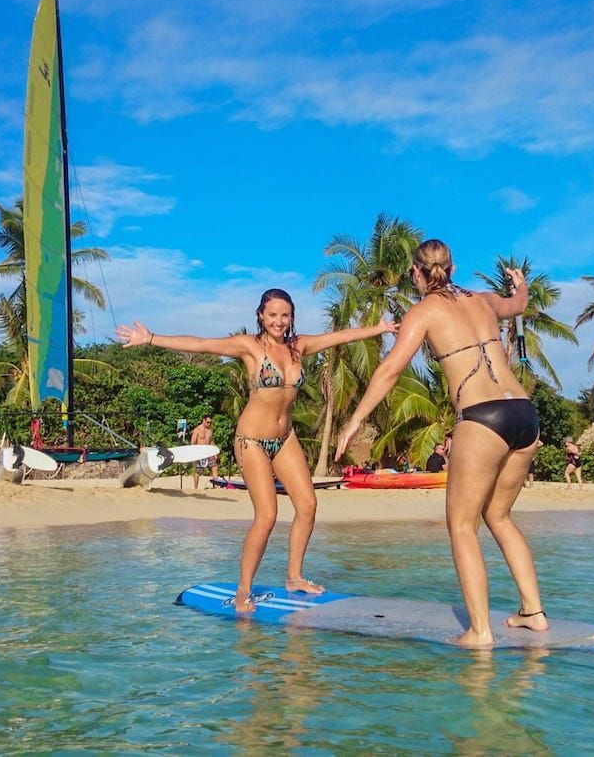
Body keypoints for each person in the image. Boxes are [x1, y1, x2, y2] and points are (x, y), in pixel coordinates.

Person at [118, 289, 395, 612]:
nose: (279, 321)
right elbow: (202, 343)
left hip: (285, 437)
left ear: (292, 317)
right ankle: (243, 589)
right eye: (273, 314)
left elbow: (339, 336)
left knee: (307, 505)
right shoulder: (249, 347)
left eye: (285, 315)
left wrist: (379, 329)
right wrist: (151, 338)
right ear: (261, 315)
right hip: (251, 440)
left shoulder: (298, 347)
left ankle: (294, 577)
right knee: (267, 515)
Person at [335, 239, 545, 647]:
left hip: (483, 417)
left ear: (416, 272)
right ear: (452, 267)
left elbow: (392, 368)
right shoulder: (484, 300)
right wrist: (521, 283)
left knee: (462, 526)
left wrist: (355, 420)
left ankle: (480, 632)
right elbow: (518, 304)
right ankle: (533, 613)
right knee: (498, 516)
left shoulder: (424, 311)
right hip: (524, 413)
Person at [189, 416, 219, 489]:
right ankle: (196, 488)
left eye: (210, 422)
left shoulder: (210, 430)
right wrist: (194, 454)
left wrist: (215, 452)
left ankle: (216, 486)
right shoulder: (197, 430)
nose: (209, 424)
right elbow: (192, 442)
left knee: (214, 467)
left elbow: (211, 441)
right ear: (203, 420)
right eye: (208, 422)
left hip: (208, 451)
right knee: (198, 471)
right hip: (199, 452)